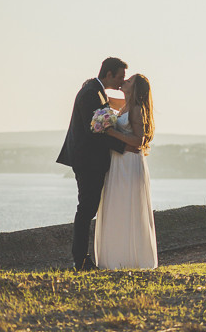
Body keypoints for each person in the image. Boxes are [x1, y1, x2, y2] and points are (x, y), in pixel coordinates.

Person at [57, 57, 130, 271]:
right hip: (88, 161)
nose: (120, 82)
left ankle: (82, 258)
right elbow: (96, 131)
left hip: (90, 159)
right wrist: (125, 147)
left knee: (88, 207)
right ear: (108, 74)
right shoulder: (91, 93)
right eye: (119, 77)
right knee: (87, 208)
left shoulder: (96, 90)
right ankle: (80, 259)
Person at [95, 73, 158, 269]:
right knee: (116, 206)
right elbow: (101, 94)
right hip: (118, 161)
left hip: (129, 163)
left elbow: (139, 141)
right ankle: (116, 255)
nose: (124, 82)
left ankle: (132, 258)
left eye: (128, 81)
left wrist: (111, 132)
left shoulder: (137, 110)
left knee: (128, 206)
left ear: (136, 88)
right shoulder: (122, 104)